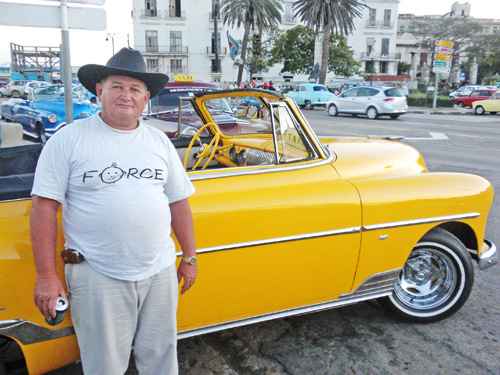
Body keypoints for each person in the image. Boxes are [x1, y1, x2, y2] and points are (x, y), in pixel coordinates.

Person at [30, 48, 197, 375]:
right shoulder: (69, 140)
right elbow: (44, 208)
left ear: (146, 97)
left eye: (135, 89)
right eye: (117, 86)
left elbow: (178, 202)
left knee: (162, 358)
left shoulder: (159, 142)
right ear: (99, 90)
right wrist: (47, 276)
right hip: (97, 274)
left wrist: (189, 256)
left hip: (159, 270)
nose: (126, 95)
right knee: (105, 366)